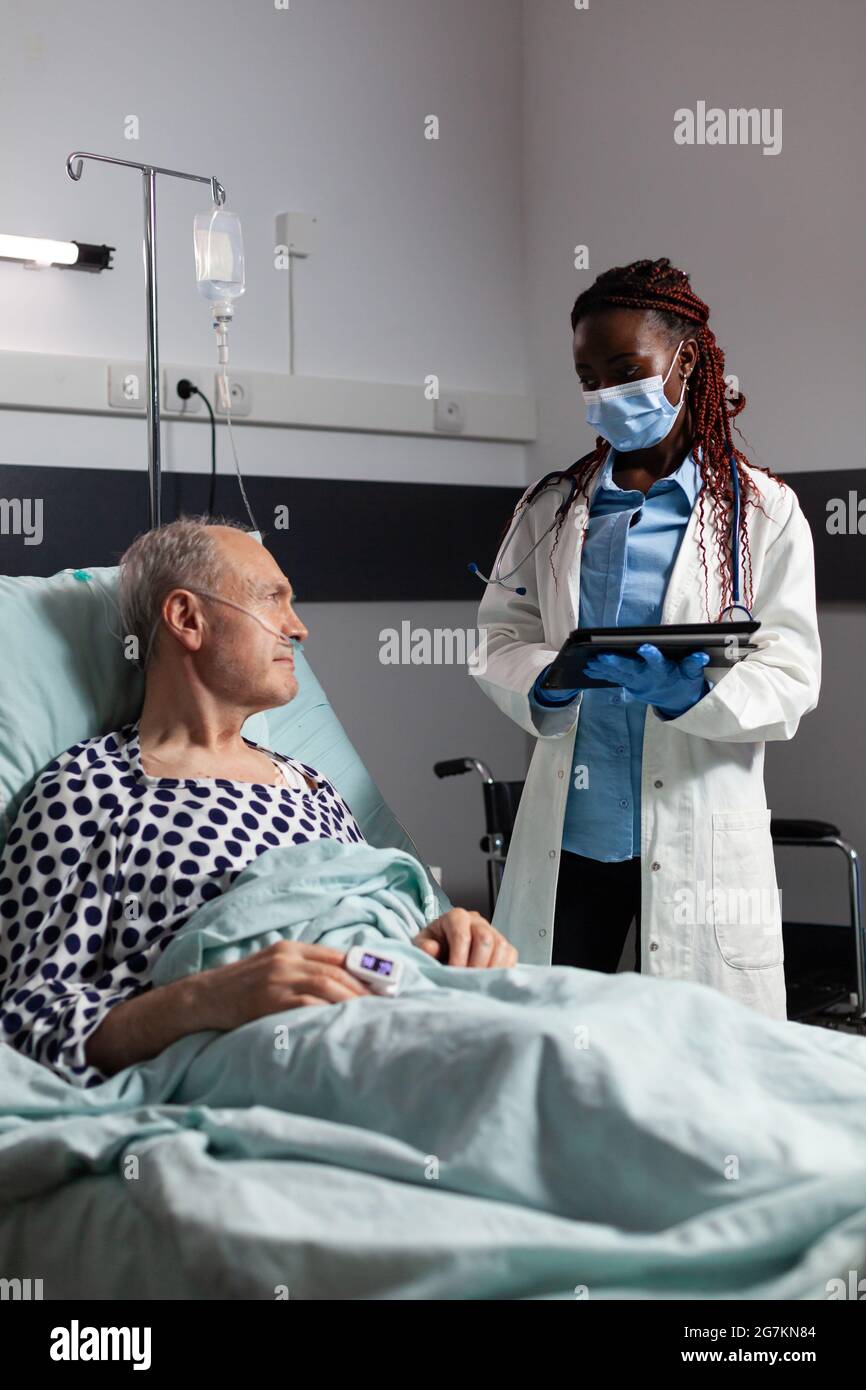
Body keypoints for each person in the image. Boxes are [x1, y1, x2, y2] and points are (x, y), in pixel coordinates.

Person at [0, 519, 516, 1088]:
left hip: (412, 1014)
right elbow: (27, 1026)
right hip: (294, 1061)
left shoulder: (313, 787)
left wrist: (448, 934)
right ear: (187, 618)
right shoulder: (92, 791)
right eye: (273, 600)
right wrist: (206, 998)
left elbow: (369, 925)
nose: (298, 628)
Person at [470, 257, 821, 1019]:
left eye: (626, 370)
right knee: (548, 1042)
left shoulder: (762, 512)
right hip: (575, 832)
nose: (604, 394)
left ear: (685, 361)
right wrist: (548, 678)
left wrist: (694, 692)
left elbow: (793, 672)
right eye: (588, 376)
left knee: (702, 1061)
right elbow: (500, 636)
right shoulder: (554, 509)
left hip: (696, 828)